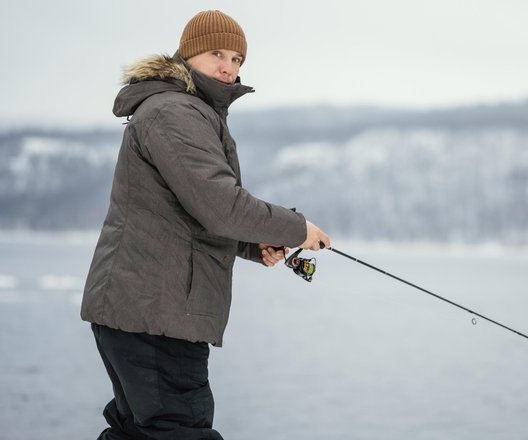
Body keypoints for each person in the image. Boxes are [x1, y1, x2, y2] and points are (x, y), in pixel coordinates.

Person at [80, 10, 330, 439]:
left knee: (140, 432)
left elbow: (191, 215)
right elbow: (219, 205)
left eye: (237, 60)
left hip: (146, 312)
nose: (228, 67)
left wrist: (254, 246)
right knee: (181, 429)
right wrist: (295, 228)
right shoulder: (174, 113)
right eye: (218, 54)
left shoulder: (189, 110)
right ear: (188, 53)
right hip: (155, 315)